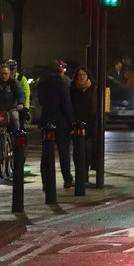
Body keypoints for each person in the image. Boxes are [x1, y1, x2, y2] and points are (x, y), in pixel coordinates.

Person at [36, 61, 77, 189]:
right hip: (61, 123)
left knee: (46, 154)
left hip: (46, 121)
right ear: (59, 70)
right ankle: (67, 179)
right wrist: (72, 123)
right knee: (64, 152)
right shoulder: (61, 84)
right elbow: (66, 104)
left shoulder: (42, 84)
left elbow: (41, 101)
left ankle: (46, 182)